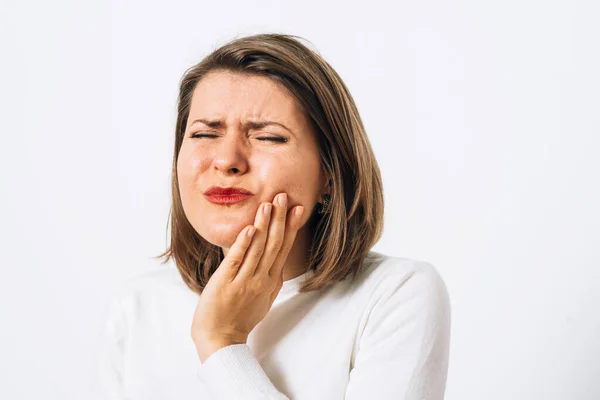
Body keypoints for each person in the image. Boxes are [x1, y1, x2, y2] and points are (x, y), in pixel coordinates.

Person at [94, 33, 451, 400]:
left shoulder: (396, 294)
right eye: (203, 134)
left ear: (330, 172)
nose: (227, 160)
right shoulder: (136, 307)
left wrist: (221, 344)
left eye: (268, 138)